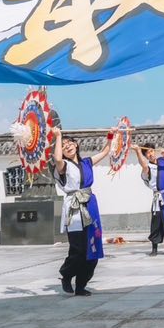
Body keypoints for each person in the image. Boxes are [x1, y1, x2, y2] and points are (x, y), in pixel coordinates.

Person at [54, 120, 114, 296]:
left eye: (70, 143)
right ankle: (66, 274)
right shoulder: (63, 166)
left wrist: (111, 135)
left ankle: (81, 285)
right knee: (78, 249)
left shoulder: (87, 162)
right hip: (74, 208)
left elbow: (105, 151)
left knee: (93, 249)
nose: (67, 146)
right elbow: (57, 158)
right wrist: (58, 136)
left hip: (90, 204)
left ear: (77, 145)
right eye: (64, 146)